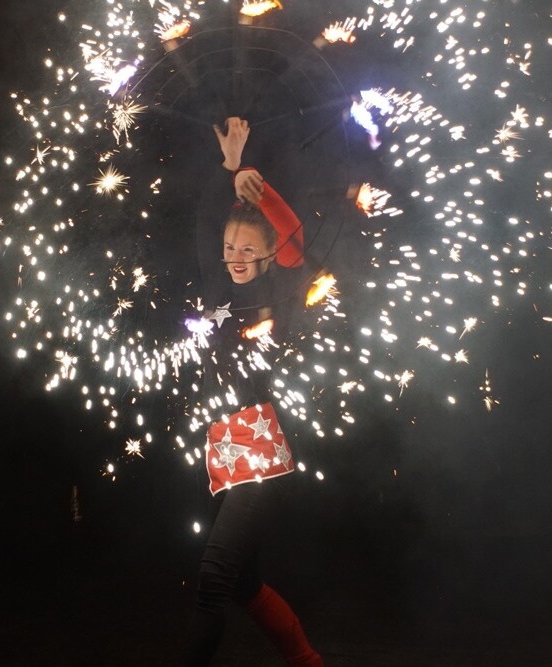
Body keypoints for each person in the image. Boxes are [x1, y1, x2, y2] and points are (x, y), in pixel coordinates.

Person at [181, 117, 323, 666]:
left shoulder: (281, 288)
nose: (236, 255)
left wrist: (251, 182)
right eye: (229, 245)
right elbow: (200, 224)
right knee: (243, 583)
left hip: (260, 447)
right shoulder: (218, 291)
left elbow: (292, 238)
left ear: (266, 255)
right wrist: (225, 167)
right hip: (220, 446)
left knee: (213, 581)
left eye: (247, 247)